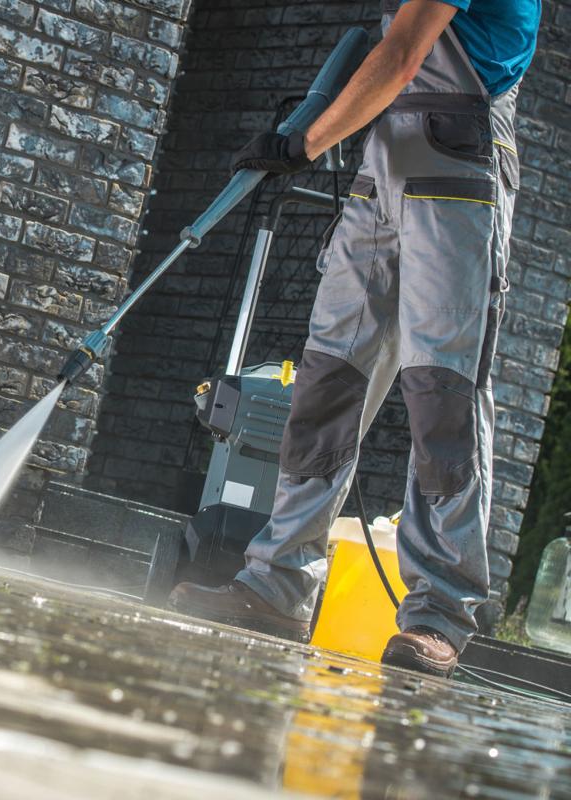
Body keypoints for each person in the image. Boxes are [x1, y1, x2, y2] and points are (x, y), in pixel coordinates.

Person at [169, 0, 541, 677]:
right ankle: (277, 585)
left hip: (460, 162)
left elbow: (400, 57)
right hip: (385, 162)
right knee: (330, 381)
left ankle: (440, 613)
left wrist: (302, 142)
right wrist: (319, 123)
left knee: (443, 391)